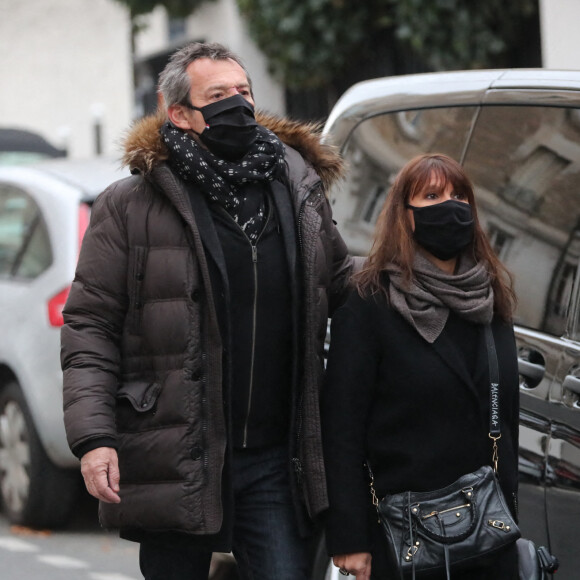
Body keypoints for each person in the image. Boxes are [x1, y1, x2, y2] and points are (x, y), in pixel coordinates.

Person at [61, 42, 356, 580]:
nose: (237, 106)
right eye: (217, 97)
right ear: (178, 114)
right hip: (176, 452)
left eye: (243, 92)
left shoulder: (297, 187)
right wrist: (94, 439)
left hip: (273, 456)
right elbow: (90, 327)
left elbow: (342, 286)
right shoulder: (130, 206)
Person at [321, 153, 520, 580]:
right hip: (406, 536)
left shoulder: (489, 299)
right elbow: (341, 431)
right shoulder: (369, 301)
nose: (450, 206)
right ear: (406, 217)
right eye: (432, 196)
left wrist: (510, 517)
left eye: (458, 195)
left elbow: (506, 424)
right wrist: (351, 538)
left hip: (488, 532)